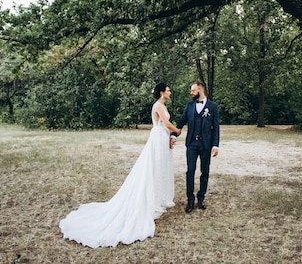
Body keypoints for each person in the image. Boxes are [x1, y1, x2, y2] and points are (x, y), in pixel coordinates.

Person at [59, 83, 181, 248]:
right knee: (153, 169)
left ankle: (158, 199)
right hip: (158, 136)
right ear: (161, 92)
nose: (170, 92)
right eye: (168, 90)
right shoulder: (158, 105)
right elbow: (166, 124)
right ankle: (151, 201)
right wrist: (178, 131)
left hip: (162, 137)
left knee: (160, 169)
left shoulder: (161, 105)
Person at [171, 80, 220, 213]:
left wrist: (215, 145)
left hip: (206, 145)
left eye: (193, 90)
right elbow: (181, 121)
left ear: (200, 90)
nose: (191, 93)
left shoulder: (212, 107)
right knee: (190, 171)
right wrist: (174, 135)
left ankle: (201, 198)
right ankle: (190, 200)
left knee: (205, 172)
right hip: (192, 144)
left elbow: (216, 127)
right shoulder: (189, 106)